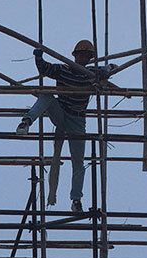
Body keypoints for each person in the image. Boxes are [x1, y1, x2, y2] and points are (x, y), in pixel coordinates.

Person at [16, 38, 105, 212]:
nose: (83, 58)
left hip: (77, 121)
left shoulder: (91, 74)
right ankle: (26, 122)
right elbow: (45, 69)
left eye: (87, 56)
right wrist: (38, 58)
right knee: (47, 96)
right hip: (61, 114)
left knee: (78, 163)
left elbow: (111, 69)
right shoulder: (63, 69)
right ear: (75, 55)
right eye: (81, 55)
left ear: (90, 58)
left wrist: (107, 70)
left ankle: (76, 200)